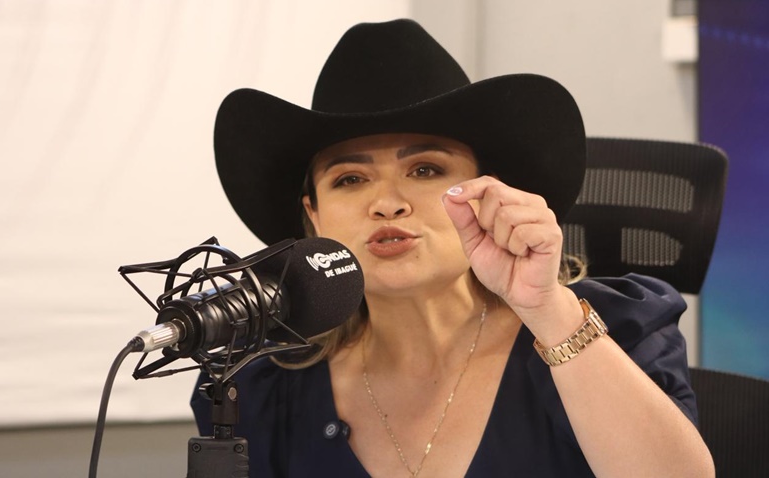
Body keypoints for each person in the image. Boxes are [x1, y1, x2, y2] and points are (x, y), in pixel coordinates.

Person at [192, 19, 714, 477]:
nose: (387, 204)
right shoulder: (261, 382)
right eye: (350, 179)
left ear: (489, 193)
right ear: (314, 214)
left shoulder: (609, 327)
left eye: (425, 170)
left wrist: (546, 311)